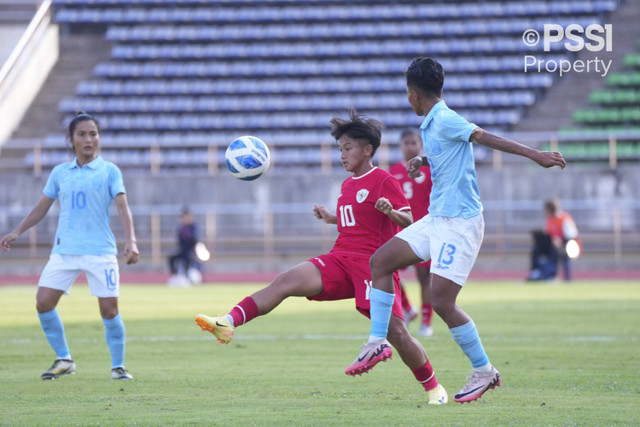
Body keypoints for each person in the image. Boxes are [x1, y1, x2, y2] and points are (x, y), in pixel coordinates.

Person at [347, 57, 567, 404]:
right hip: (437, 219)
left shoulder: (446, 118)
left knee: (442, 302)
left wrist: (534, 154)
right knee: (381, 262)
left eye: (408, 94)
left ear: (415, 94)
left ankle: (484, 370)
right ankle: (377, 341)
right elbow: (450, 152)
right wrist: (425, 160)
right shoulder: (431, 124)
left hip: (461, 223)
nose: (408, 100)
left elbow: (480, 136)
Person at [195, 109, 448, 405]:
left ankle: (434, 388)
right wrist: (331, 219)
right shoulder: (348, 184)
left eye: (347, 148)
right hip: (340, 259)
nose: (341, 155)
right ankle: (228, 322)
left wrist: (390, 211)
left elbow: (410, 220)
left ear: (368, 150)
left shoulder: (383, 179)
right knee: (285, 281)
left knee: (398, 334)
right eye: (340, 149)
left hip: (373, 266)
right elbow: (356, 224)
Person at [0, 112, 139, 380]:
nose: (88, 139)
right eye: (82, 134)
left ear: (99, 138)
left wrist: (131, 240)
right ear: (72, 139)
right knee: (43, 302)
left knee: (109, 311)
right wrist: (18, 231)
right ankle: (64, 359)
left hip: (100, 251)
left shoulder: (110, 171)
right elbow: (42, 207)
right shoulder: (60, 173)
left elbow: (123, 206)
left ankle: (118, 366)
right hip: (64, 251)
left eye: (93, 134)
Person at [390, 129, 435, 337]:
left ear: (420, 145)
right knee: (389, 269)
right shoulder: (393, 171)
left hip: (425, 229)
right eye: (406, 143)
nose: (410, 147)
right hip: (401, 228)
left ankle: (426, 321)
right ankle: (408, 309)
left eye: (413, 143)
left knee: (424, 277)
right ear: (401, 146)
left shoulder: (429, 170)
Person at [543, 198, 580, 281]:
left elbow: (572, 236)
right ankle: (545, 275)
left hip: (570, 246)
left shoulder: (564, 219)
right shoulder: (550, 220)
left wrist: (560, 242)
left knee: (559, 253)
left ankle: (565, 278)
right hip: (556, 245)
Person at [167, 207, 200, 286]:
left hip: (191, 251)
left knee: (188, 258)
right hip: (182, 250)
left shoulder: (193, 227)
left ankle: (187, 277)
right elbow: (179, 241)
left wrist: (188, 235)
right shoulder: (181, 228)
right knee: (172, 257)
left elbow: (195, 240)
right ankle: (175, 275)